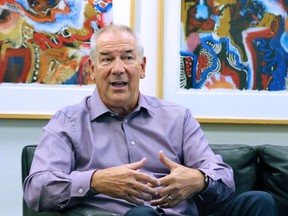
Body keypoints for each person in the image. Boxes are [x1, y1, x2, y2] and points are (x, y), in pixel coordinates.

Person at [23, 24, 278, 216]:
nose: (118, 68)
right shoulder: (68, 122)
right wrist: (95, 180)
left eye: (128, 57)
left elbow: (222, 176)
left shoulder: (177, 117)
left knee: (259, 202)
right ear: (92, 69)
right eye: (107, 59)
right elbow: (37, 189)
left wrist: (198, 180)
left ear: (142, 67)